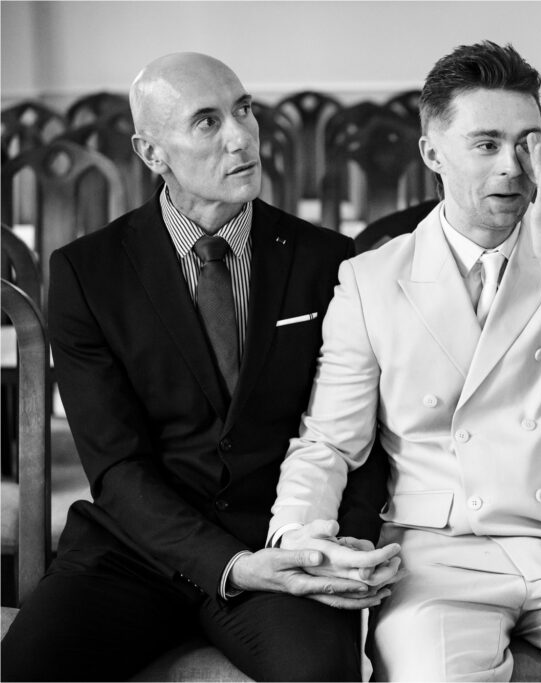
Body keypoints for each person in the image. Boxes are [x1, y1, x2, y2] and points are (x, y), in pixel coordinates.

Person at [267, 41, 541, 681]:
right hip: (436, 556)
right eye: (487, 144)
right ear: (431, 155)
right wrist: (300, 536)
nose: (514, 166)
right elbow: (330, 442)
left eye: (529, 143)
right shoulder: (369, 280)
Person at [0, 52, 401, 682]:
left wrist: (339, 542)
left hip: (281, 534)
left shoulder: (326, 259)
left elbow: (358, 432)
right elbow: (116, 464)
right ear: (152, 152)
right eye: (207, 122)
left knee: (323, 672)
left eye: (244, 110)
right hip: (134, 546)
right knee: (27, 666)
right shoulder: (87, 272)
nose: (242, 137)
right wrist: (230, 565)